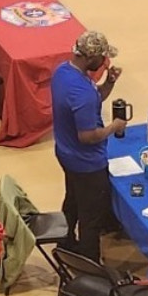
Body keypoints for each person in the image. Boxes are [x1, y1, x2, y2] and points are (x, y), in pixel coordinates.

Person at [51, 31, 125, 261]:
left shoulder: (63, 72)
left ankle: (64, 240)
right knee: (91, 216)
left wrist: (109, 82)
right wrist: (114, 126)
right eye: (102, 58)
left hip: (65, 152)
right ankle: (90, 263)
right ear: (89, 58)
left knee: (72, 199)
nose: (105, 62)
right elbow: (88, 136)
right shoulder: (81, 91)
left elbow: (94, 99)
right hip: (87, 163)